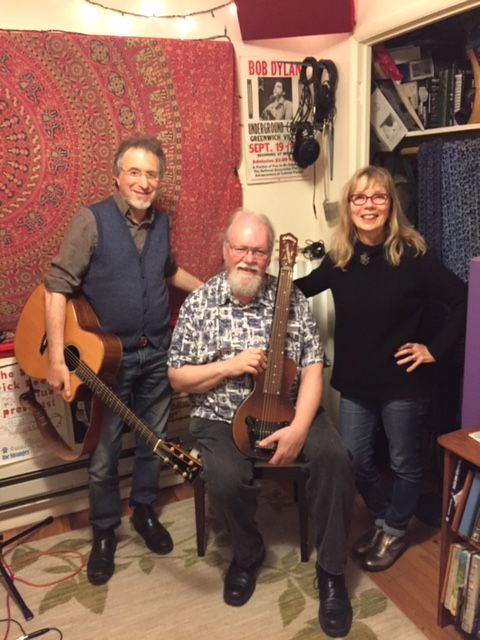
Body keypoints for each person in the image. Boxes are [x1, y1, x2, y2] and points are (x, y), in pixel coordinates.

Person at [167, 209, 355, 638]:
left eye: (259, 251)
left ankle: (331, 573)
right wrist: (229, 366)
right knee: (224, 478)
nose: (249, 259)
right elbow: (177, 377)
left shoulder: (291, 298)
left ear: (271, 256)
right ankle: (248, 553)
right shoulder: (200, 303)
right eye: (241, 248)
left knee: (336, 459)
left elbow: (313, 365)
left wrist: (301, 428)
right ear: (225, 250)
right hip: (219, 414)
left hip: (289, 407)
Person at [44, 135, 203, 586]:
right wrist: (56, 358)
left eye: (151, 174)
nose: (143, 182)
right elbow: (57, 287)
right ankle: (104, 530)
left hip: (156, 352)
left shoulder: (161, 223)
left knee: (155, 441)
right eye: (134, 172)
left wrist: (209, 289)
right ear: (117, 175)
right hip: (107, 361)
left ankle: (145, 511)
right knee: (105, 452)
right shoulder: (90, 221)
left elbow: (168, 271)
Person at [295, 165, 467, 572]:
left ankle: (393, 529)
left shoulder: (413, 256)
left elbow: (464, 297)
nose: (368, 205)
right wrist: (257, 282)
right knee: (354, 460)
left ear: (391, 205)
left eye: (378, 197)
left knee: (405, 464)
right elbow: (302, 289)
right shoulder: (341, 258)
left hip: (403, 384)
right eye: (359, 197)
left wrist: (434, 350)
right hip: (356, 382)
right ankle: (387, 518)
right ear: (349, 206)